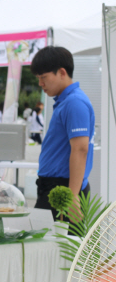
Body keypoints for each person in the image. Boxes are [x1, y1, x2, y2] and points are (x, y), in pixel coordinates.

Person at [31, 46, 94, 220]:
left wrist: (72, 197)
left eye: (43, 77)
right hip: (55, 188)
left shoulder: (74, 102)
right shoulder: (65, 101)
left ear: (62, 72)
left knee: (59, 246)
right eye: (38, 78)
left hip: (64, 190)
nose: (40, 84)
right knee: (48, 246)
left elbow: (81, 149)